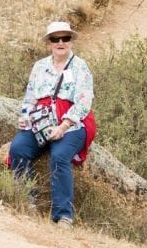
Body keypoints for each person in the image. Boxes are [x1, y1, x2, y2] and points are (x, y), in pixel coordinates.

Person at [8, 21, 97, 229]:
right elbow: (29, 96)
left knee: (59, 156)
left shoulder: (80, 67)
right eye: (55, 39)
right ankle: (25, 200)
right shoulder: (39, 66)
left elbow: (84, 102)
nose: (60, 42)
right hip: (41, 120)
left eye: (65, 38)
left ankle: (63, 215)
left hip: (72, 123)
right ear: (48, 43)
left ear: (71, 41)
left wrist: (64, 126)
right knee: (18, 148)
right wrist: (25, 116)